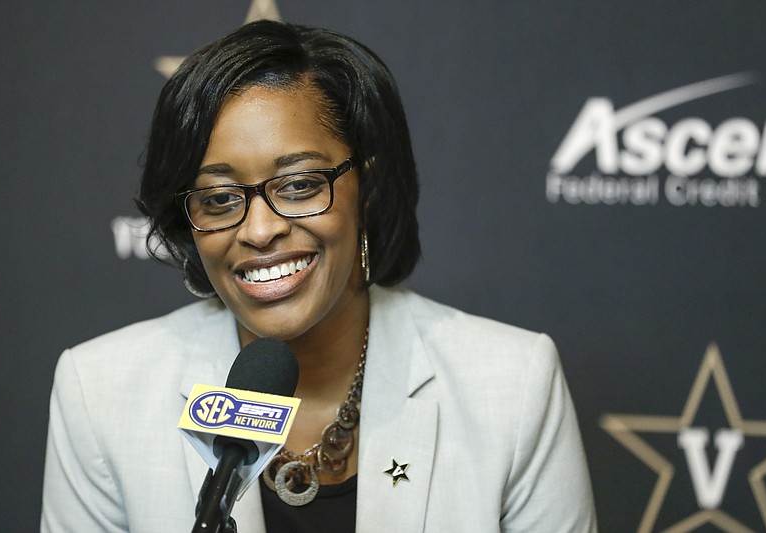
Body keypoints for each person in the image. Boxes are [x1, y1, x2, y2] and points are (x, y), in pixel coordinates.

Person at [41, 19, 596, 532]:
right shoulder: (100, 393)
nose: (259, 230)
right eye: (218, 198)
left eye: (300, 184)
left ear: (368, 191)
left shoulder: (512, 385)